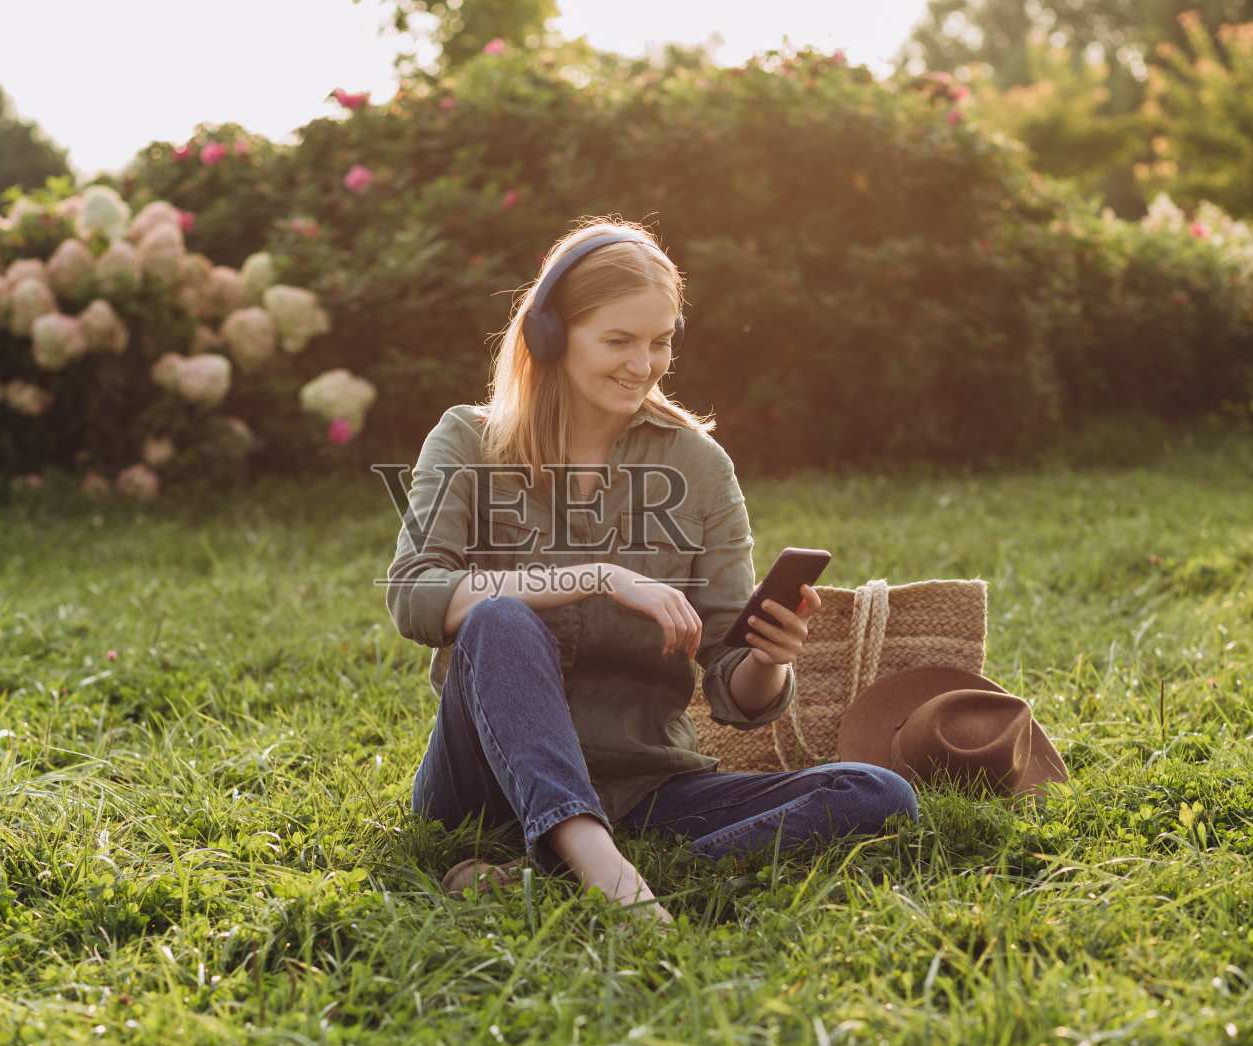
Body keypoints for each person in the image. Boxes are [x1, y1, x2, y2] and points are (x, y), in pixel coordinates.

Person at [385, 219, 917, 921]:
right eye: (619, 340)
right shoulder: (464, 439)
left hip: (643, 787)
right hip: (483, 784)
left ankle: (563, 881)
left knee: (878, 794)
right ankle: (608, 874)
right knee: (499, 616)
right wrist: (596, 573)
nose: (645, 363)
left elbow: (734, 689)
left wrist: (769, 661)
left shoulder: (698, 466)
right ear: (552, 334)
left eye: (660, 341)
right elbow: (413, 593)